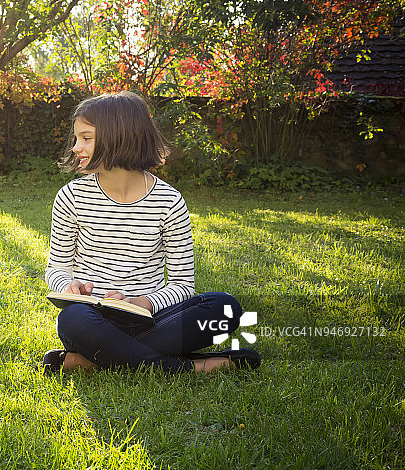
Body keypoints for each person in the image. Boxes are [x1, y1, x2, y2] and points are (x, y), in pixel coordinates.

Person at [42, 91, 261, 374]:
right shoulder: (71, 197)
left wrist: (142, 303)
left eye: (86, 138)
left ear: (119, 137)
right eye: (76, 138)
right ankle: (188, 367)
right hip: (91, 320)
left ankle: (92, 360)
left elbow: (182, 284)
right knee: (72, 319)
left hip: (152, 319)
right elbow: (57, 268)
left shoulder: (168, 201)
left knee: (224, 307)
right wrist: (69, 287)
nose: (75, 147)